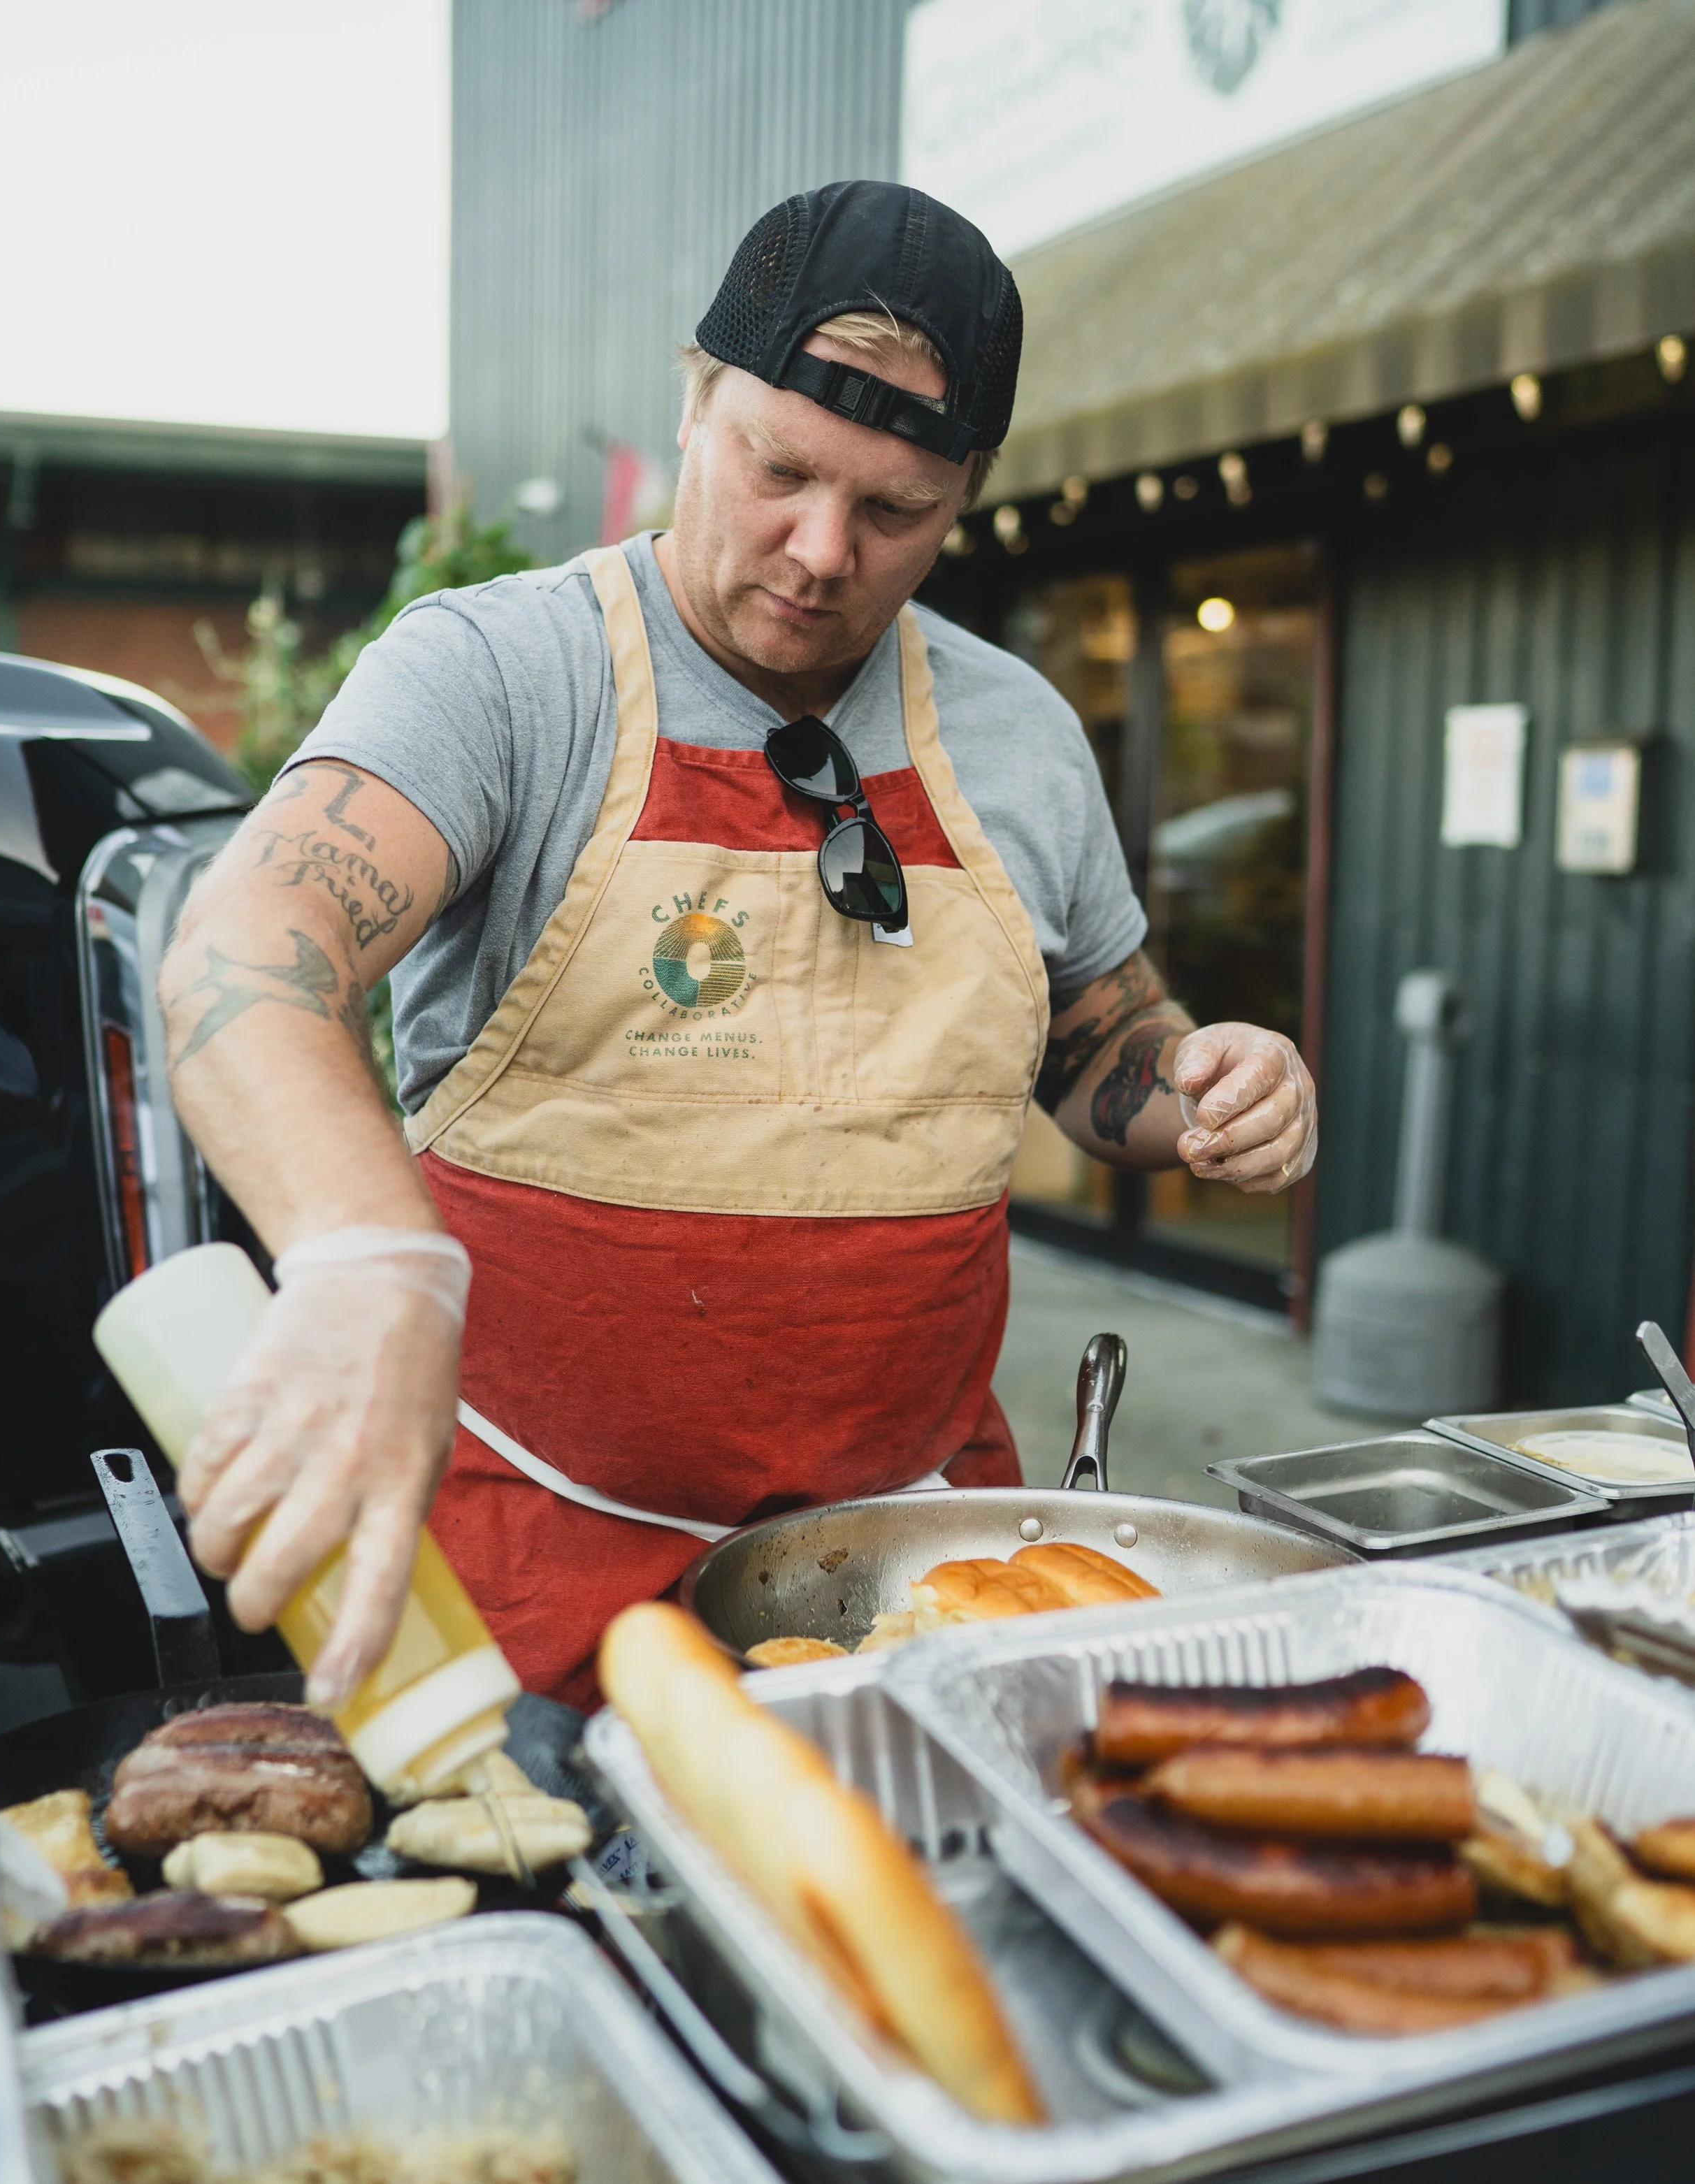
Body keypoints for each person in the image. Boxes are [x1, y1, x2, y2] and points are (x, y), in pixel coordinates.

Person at [159, 182, 1317, 1710]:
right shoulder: (505, 673)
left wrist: (1205, 1082)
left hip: (908, 1572)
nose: (819, 549)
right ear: (693, 404)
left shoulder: (1018, 733)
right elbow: (251, 941)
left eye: (894, 510)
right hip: (534, 1569)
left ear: (964, 495)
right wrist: (361, 1261)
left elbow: (1100, 1044)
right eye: (777, 467)